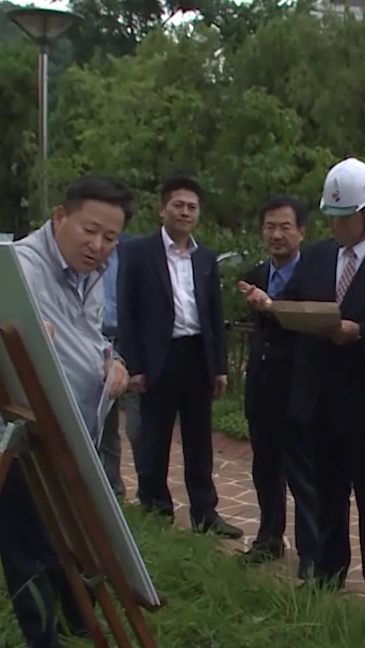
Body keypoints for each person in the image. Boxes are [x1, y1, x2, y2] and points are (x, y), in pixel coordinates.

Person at [240, 157, 365, 610]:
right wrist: (271, 306)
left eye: (346, 217)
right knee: (326, 490)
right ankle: (328, 569)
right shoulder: (320, 256)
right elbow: (296, 308)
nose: (337, 226)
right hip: (317, 395)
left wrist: (360, 331)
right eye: (332, 217)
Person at [0, 176, 134, 648]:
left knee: (71, 539)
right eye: (90, 230)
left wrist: (113, 363)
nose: (98, 246)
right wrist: (19, 333)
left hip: (74, 434)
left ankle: (79, 618)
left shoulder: (93, 273)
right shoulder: (20, 267)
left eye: (111, 237)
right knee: (29, 551)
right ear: (60, 217)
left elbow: (90, 340)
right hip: (20, 436)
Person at [116, 174, 242, 538]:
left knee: (199, 440)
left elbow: (214, 315)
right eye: (178, 205)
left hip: (196, 355)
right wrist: (134, 365)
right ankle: (156, 509)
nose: (185, 213)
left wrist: (219, 367)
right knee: (153, 438)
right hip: (159, 358)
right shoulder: (138, 253)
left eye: (192, 207)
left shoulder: (205, 257)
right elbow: (128, 310)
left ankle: (205, 512)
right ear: (162, 209)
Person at [239, 195, 321, 572]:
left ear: (302, 232)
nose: (277, 235)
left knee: (302, 476)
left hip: (298, 390)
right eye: (270, 227)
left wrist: (272, 305)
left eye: (285, 227)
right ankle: (268, 537)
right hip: (262, 388)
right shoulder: (257, 274)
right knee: (265, 468)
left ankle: (312, 554)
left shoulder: (314, 277)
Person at [97, 233, 140, 498]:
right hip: (98, 341)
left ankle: (151, 493)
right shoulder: (88, 252)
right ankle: (112, 489)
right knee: (104, 423)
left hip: (130, 341)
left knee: (139, 425)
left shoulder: (134, 250)